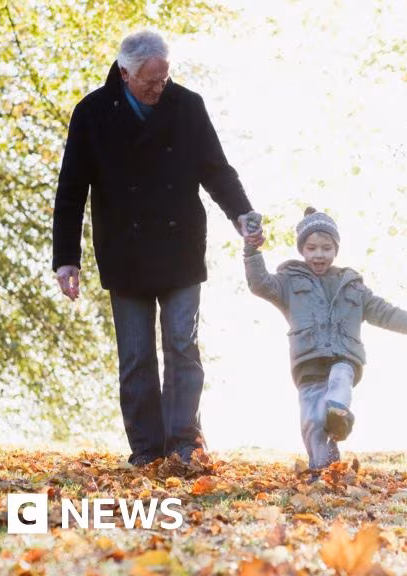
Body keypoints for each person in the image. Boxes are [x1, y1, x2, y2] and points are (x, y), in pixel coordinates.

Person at [51, 30, 263, 467]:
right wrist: (66, 259)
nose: (158, 88)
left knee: (183, 346)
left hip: (180, 245)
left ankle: (184, 444)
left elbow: (216, 170)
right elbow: (71, 190)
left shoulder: (187, 106)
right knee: (136, 357)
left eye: (164, 78)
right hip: (123, 251)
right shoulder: (91, 113)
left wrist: (241, 214)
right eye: (150, 80)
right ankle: (147, 451)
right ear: (124, 72)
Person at [242, 207, 407, 481]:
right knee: (312, 422)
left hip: (343, 358)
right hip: (308, 363)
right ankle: (323, 469)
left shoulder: (351, 285)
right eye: (311, 248)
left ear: (336, 249)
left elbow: (387, 313)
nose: (319, 254)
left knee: (340, 379)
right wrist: (251, 249)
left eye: (326, 248)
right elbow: (259, 284)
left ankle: (338, 412)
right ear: (302, 250)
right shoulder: (289, 281)